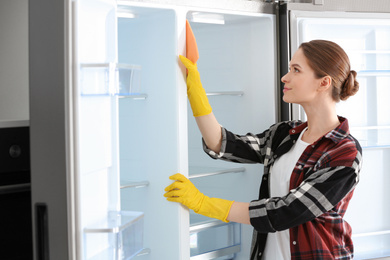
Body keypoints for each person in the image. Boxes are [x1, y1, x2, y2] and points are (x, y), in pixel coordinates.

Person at [164, 40, 362, 259]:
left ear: (323, 83)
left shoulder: (344, 153)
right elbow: (223, 144)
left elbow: (287, 211)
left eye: (296, 70)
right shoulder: (286, 134)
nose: (285, 77)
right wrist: (196, 93)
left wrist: (205, 204)